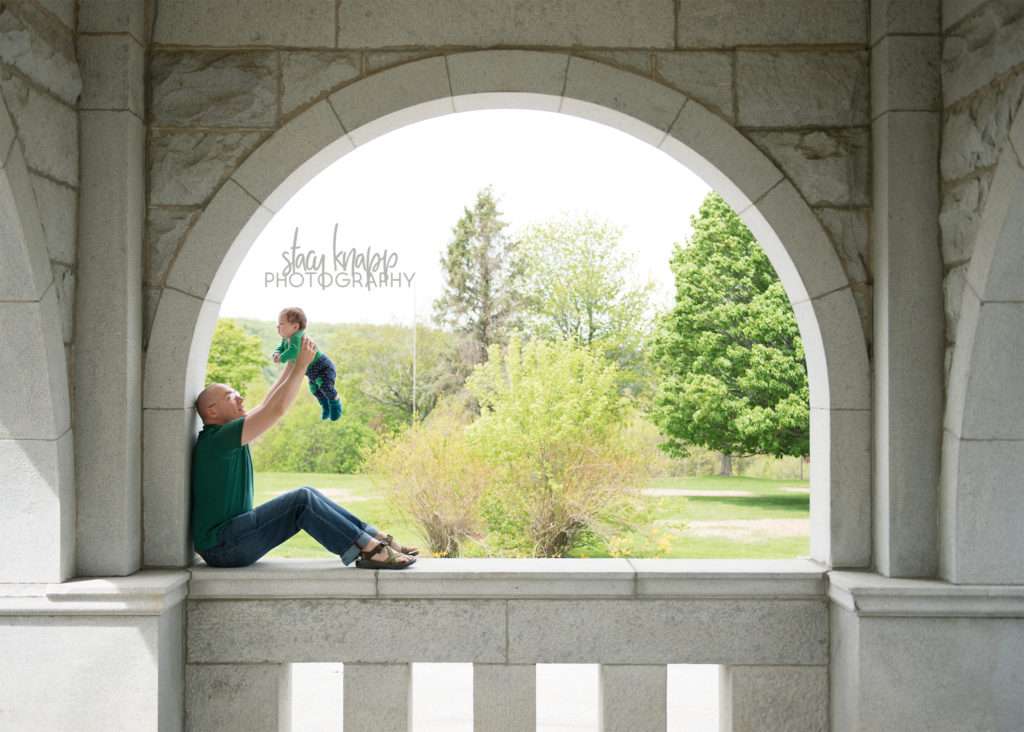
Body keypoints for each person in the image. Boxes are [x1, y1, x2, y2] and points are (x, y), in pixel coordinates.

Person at [191, 334, 418, 569]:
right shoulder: (218, 439)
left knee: (307, 494)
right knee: (302, 500)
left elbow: (266, 404)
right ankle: (371, 550)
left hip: (230, 541)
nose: (241, 398)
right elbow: (275, 409)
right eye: (231, 396)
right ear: (212, 411)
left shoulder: (225, 436)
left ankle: (374, 538)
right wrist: (301, 366)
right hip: (223, 546)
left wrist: (293, 363)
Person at [273, 306, 343, 421]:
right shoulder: (286, 338)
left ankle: (335, 404)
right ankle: (325, 406)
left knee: (326, 387)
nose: (277, 326)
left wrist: (281, 358)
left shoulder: (297, 337)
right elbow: (281, 347)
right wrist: (277, 352)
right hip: (311, 371)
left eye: (281, 324)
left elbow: (293, 352)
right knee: (314, 389)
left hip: (322, 366)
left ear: (295, 326)